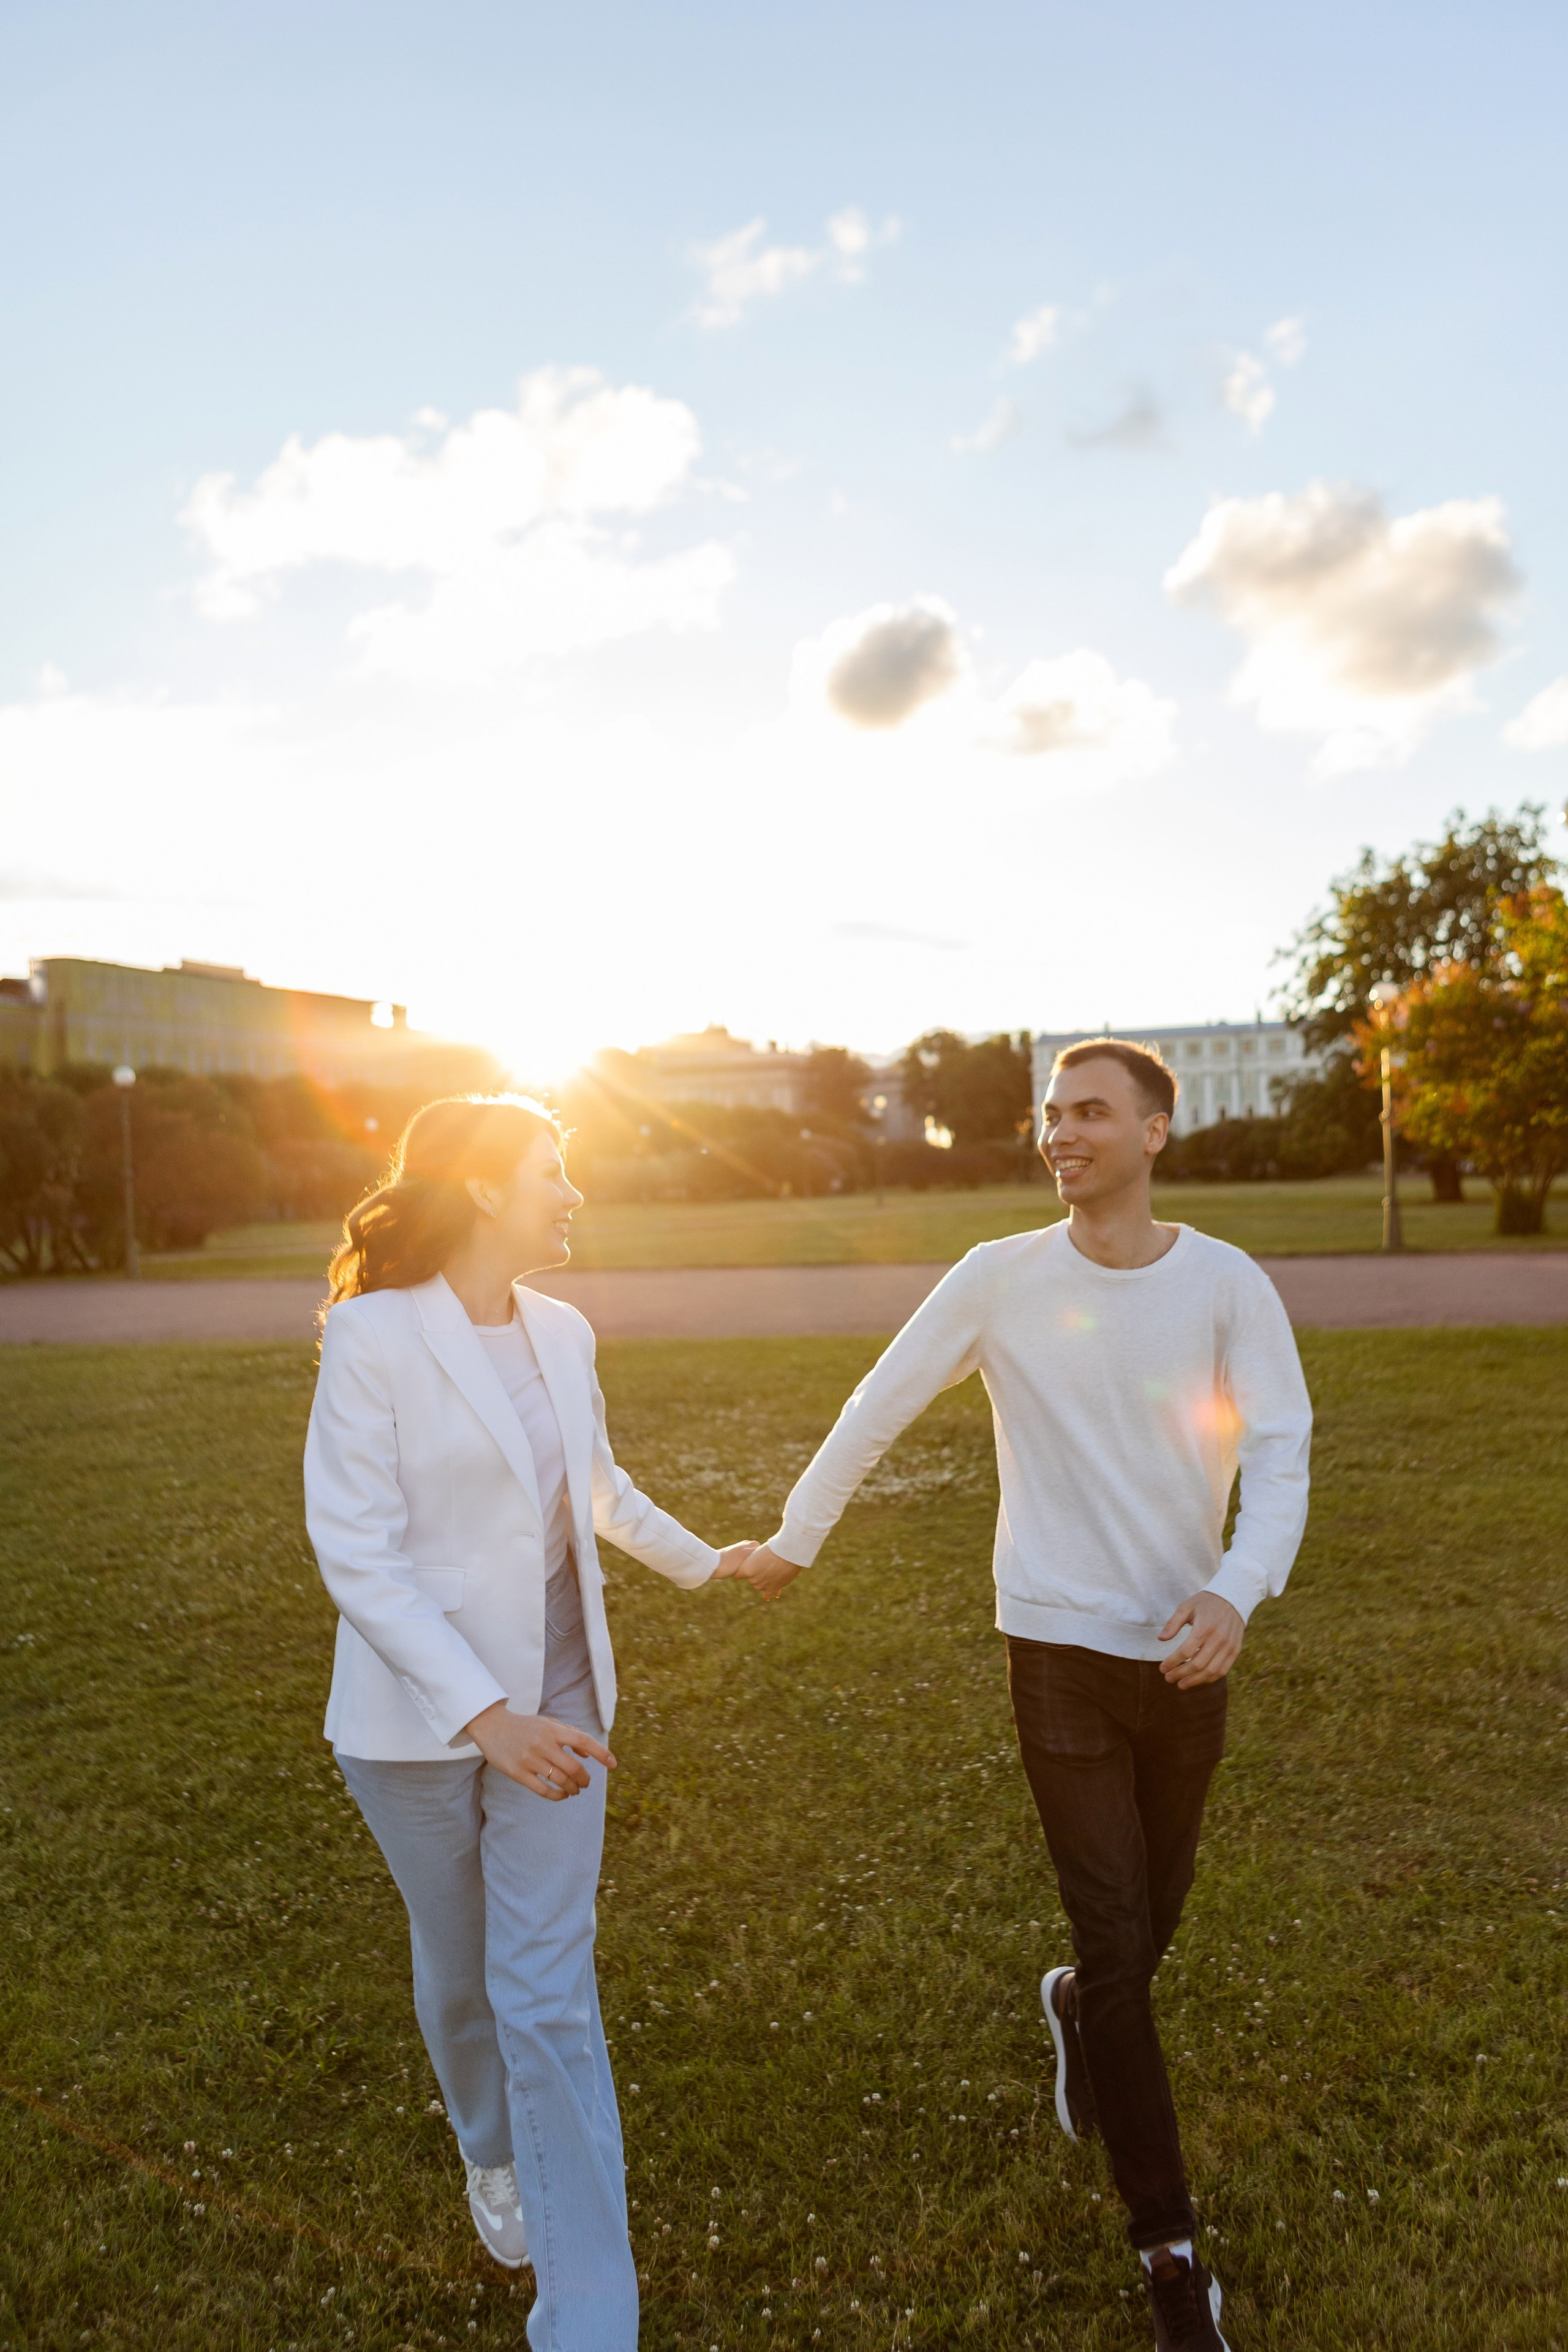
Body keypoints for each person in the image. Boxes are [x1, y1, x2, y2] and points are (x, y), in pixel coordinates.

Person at [737, 1040, 1311, 2351]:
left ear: (1155, 1133)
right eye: (1051, 1115)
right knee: (1117, 1945)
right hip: (1052, 1647)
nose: (1061, 1134)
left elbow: (1279, 1455)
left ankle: (1072, 2009)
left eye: (1090, 1114)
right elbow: (875, 1406)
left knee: (1148, 1926)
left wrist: (1234, 1592)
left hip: (1184, 1651)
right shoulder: (995, 1279)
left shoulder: (1225, 1285)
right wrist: (795, 1539)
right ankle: (1169, 2256)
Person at [304, 1094, 756, 2352]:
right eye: (550, 1172)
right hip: (414, 1723)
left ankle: (586, 2318)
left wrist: (705, 1563)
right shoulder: (373, 1336)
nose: (570, 1194)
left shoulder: (565, 1329)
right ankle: (487, 2153)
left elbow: (597, 1487)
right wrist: (481, 1714)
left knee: (544, 1991)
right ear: (484, 1188)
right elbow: (358, 1549)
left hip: (565, 1705)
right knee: (463, 1982)